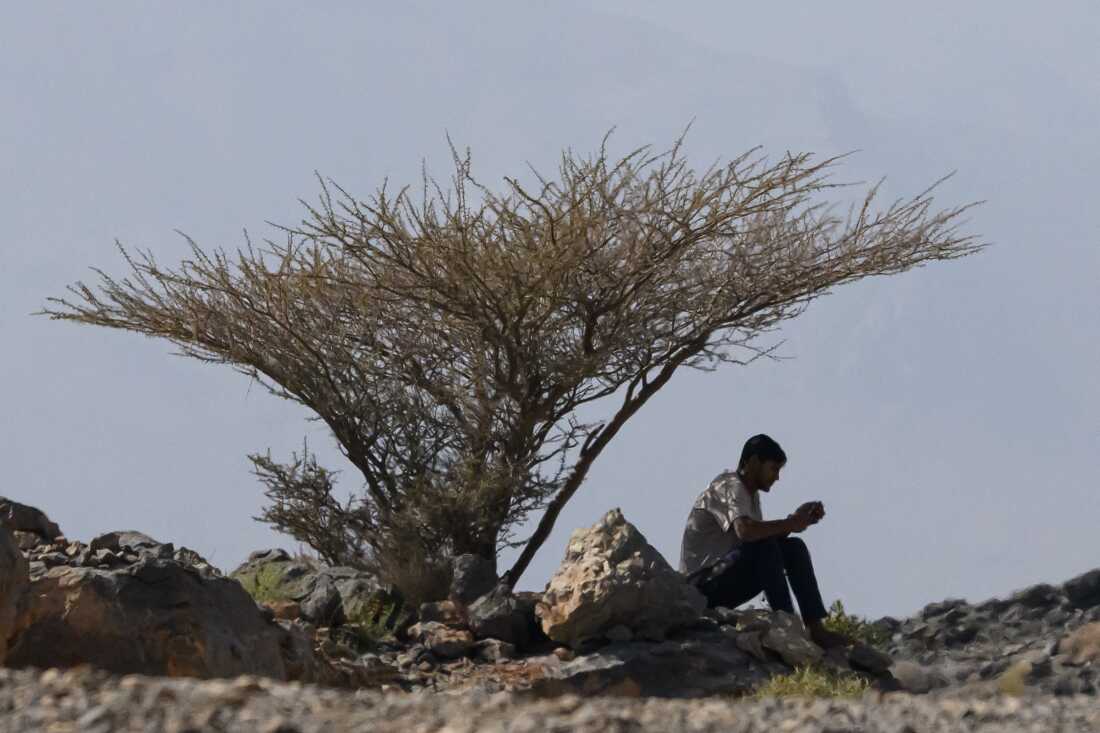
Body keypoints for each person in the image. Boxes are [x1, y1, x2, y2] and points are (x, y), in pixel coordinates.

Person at [679, 434, 852, 649]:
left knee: (794, 548)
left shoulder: (750, 495)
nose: (777, 477)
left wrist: (796, 520)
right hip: (701, 588)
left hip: (725, 576)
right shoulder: (729, 486)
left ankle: (816, 628)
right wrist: (791, 523)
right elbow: (747, 533)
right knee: (764, 544)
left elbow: (759, 543)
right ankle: (788, 626)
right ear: (753, 462)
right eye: (773, 469)